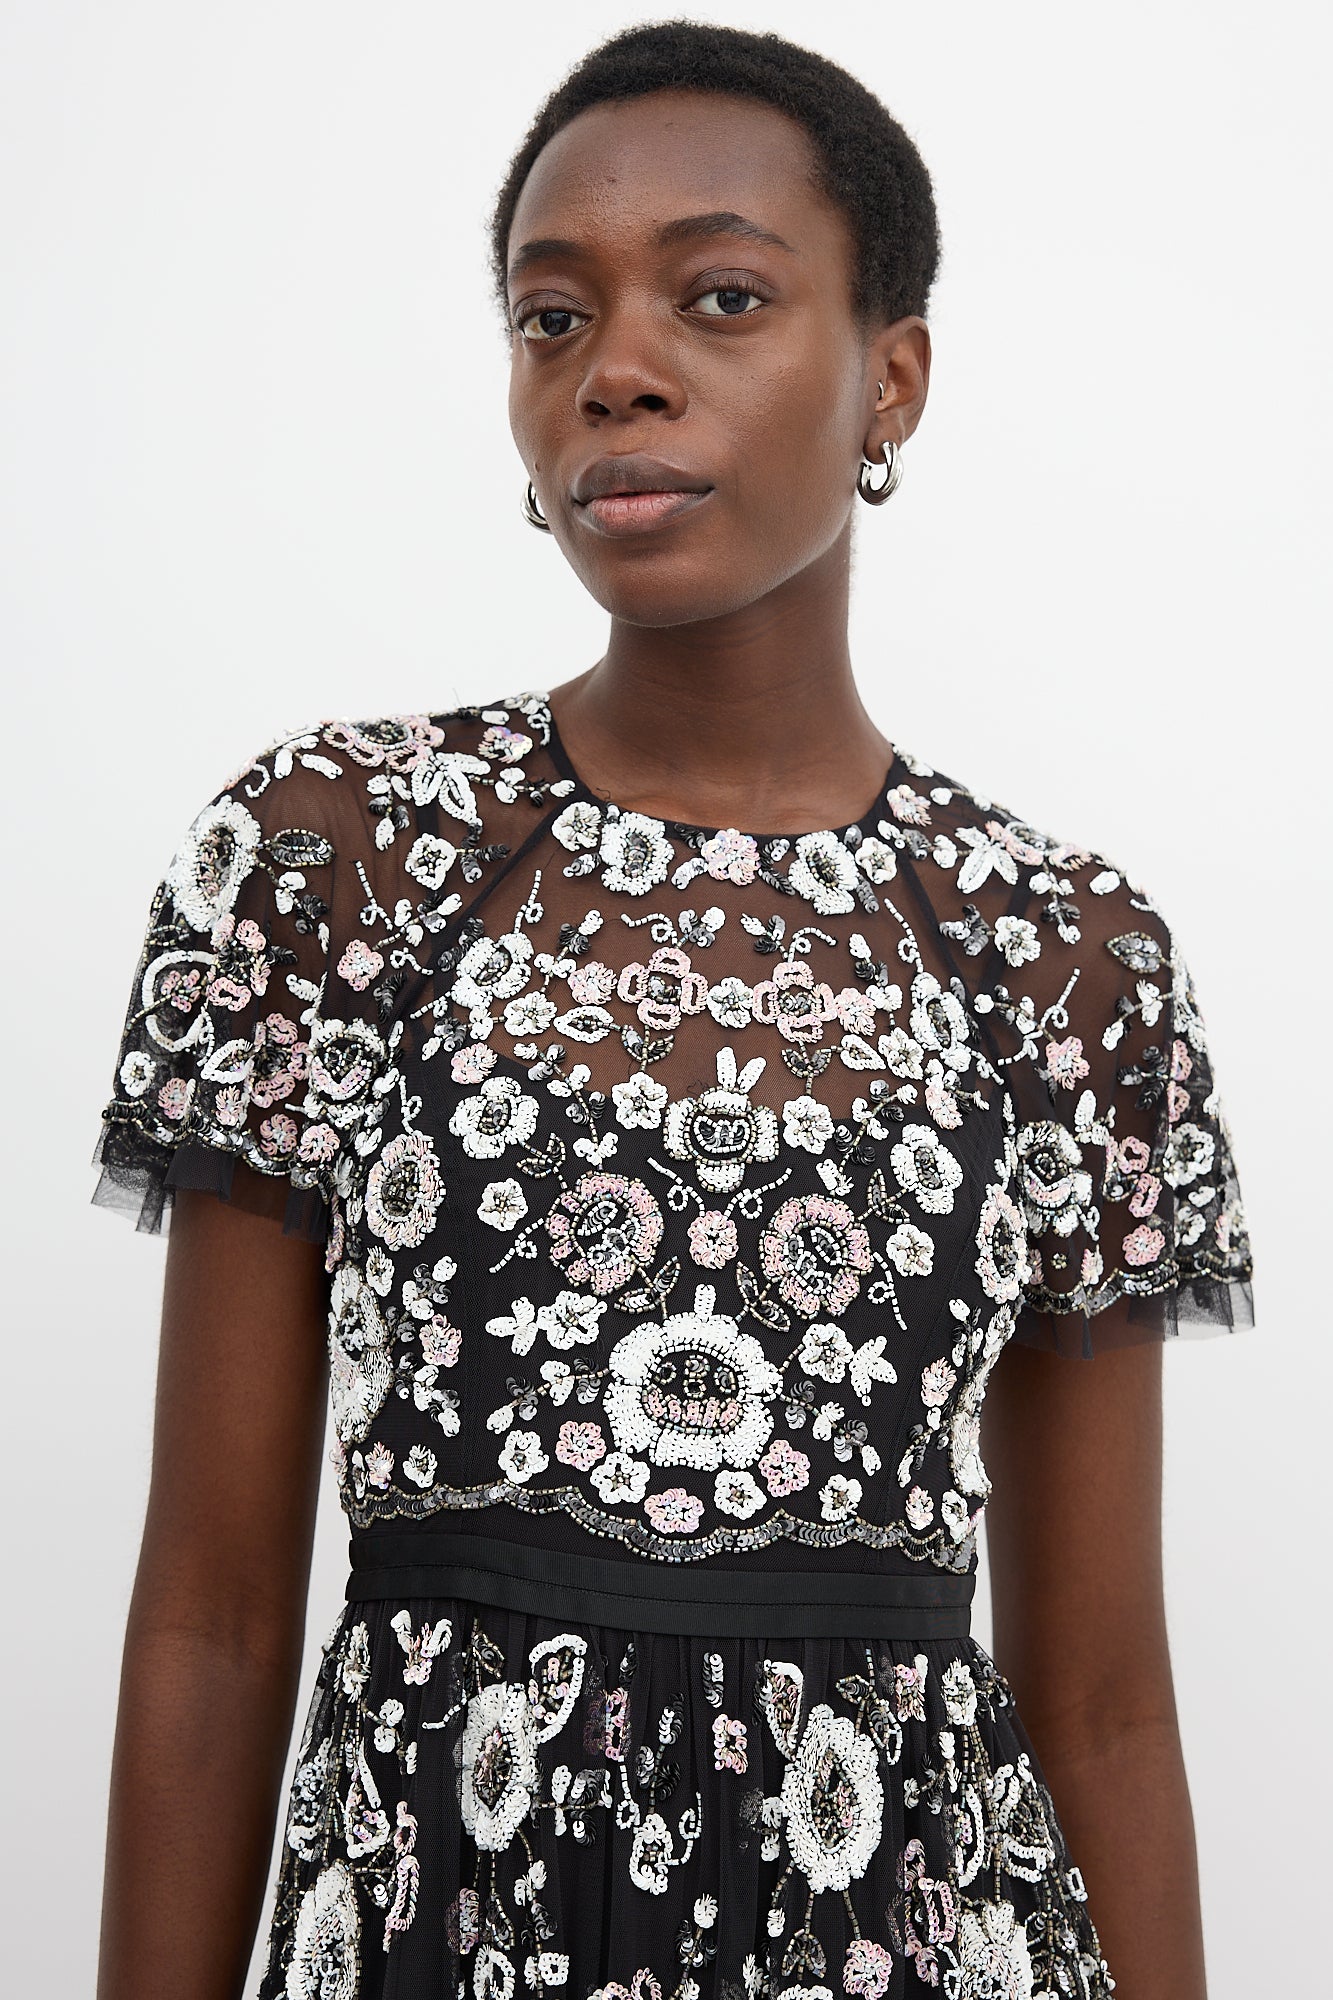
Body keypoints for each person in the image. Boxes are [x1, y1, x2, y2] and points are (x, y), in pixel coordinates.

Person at [91, 22, 1254, 2000]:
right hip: (442, 1933)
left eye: (719, 297)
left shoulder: (1060, 953)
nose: (613, 370)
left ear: (891, 377)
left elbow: (1103, 1698)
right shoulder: (338, 858)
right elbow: (208, 1617)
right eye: (551, 317)